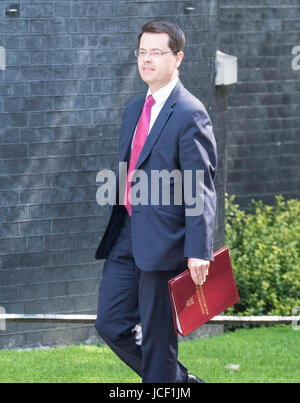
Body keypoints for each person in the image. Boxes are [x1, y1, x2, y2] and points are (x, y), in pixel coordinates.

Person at [94, 20, 217, 383]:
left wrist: (199, 249)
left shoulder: (190, 112)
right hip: (126, 234)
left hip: (165, 241)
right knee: (111, 323)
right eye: (142, 53)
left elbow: (200, 186)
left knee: (158, 338)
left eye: (156, 53)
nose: (147, 60)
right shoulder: (134, 108)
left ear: (177, 58)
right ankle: (181, 384)